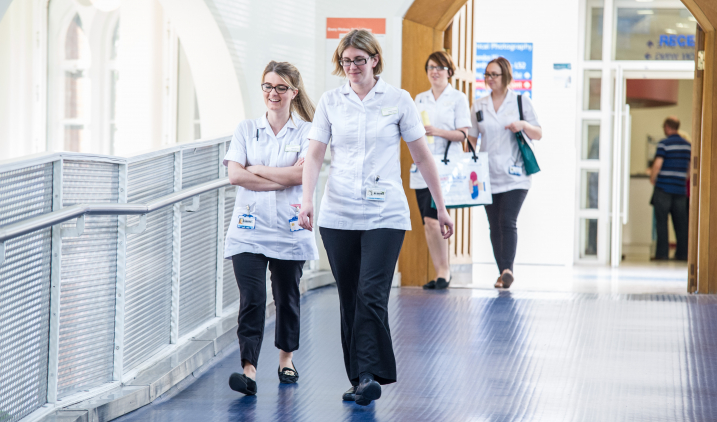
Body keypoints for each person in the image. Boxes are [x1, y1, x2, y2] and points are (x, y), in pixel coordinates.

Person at [297, 29, 454, 406]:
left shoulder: (399, 100)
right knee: (350, 298)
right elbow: (315, 155)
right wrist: (307, 200)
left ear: (374, 61)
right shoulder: (331, 101)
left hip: (386, 214)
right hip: (338, 215)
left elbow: (422, 156)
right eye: (346, 61)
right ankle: (359, 378)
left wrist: (441, 205)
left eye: (359, 60)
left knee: (371, 293)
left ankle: (369, 375)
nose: (352, 67)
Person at [223, 61, 318, 396]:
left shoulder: (308, 131)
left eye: (280, 87)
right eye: (267, 86)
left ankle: (286, 359)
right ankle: (248, 369)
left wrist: (259, 170)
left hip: (290, 229)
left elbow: (301, 177)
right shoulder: (246, 129)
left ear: (294, 91)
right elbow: (235, 176)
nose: (273, 94)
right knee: (252, 298)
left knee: (287, 297)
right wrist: (281, 178)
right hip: (248, 230)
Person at [467, 57, 542, 289]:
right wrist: (469, 160)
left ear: (506, 76)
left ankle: (508, 269)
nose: (489, 79)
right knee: (494, 224)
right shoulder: (479, 105)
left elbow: (538, 133)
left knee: (507, 220)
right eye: (487, 74)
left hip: (516, 174)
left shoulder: (520, 102)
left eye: (494, 74)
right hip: (487, 175)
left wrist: (523, 125)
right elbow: (472, 137)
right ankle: (503, 273)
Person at [410, 51, 471, 290]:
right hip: (422, 165)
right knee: (428, 222)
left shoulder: (458, 98)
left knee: (435, 220)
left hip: (447, 168)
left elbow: (463, 134)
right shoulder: (419, 98)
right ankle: (440, 271)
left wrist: (435, 131)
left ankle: (445, 271)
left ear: (449, 72)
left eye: (440, 67)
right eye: (431, 67)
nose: (434, 71)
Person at [649, 116, 690, 261]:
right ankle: (683, 254)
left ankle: (662, 254)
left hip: (663, 188)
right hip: (680, 190)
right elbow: (689, 169)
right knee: (681, 223)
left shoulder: (664, 144)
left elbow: (657, 164)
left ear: (667, 127)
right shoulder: (687, 145)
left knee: (661, 222)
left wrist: (653, 178)